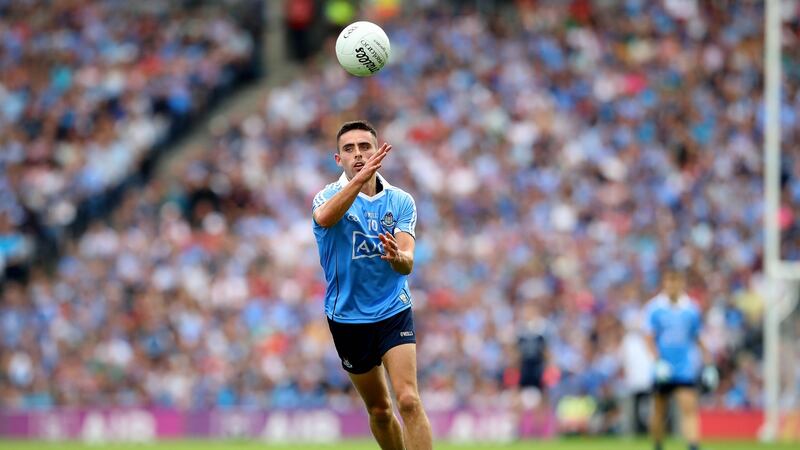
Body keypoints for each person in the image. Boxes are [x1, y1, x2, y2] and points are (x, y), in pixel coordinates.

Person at [312, 120, 433, 450]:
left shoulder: (401, 201)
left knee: (408, 400)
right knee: (380, 409)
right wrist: (360, 181)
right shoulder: (326, 197)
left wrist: (397, 257)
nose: (358, 154)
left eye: (365, 147)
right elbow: (324, 219)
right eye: (349, 149)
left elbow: (407, 261)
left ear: (378, 151)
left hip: (394, 308)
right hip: (348, 318)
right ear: (339, 160)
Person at [644, 268, 717, 450]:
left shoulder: (691, 309)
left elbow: (697, 337)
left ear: (682, 284)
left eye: (676, 281)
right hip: (663, 368)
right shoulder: (655, 308)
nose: (672, 285)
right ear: (664, 283)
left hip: (684, 368)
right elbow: (649, 339)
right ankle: (658, 444)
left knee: (689, 408)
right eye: (669, 281)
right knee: (660, 410)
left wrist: (708, 362)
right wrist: (658, 361)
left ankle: (693, 446)